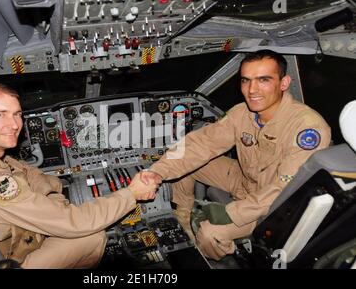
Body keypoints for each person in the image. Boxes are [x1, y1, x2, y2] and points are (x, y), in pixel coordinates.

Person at [0, 83, 158, 268]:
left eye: (17, 114)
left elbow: (26, 170)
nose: (14, 124)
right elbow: (75, 222)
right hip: (2, 261)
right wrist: (131, 193)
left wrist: (49, 191)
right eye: (0, 115)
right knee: (91, 236)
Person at [140, 49, 331, 261]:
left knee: (209, 234)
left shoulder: (307, 128)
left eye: (263, 80)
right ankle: (183, 217)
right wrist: (157, 172)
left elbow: (283, 190)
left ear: (284, 83)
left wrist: (230, 213)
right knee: (189, 162)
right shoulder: (242, 113)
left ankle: (222, 259)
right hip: (244, 181)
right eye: (246, 80)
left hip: (273, 204)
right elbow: (200, 145)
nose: (252, 90)